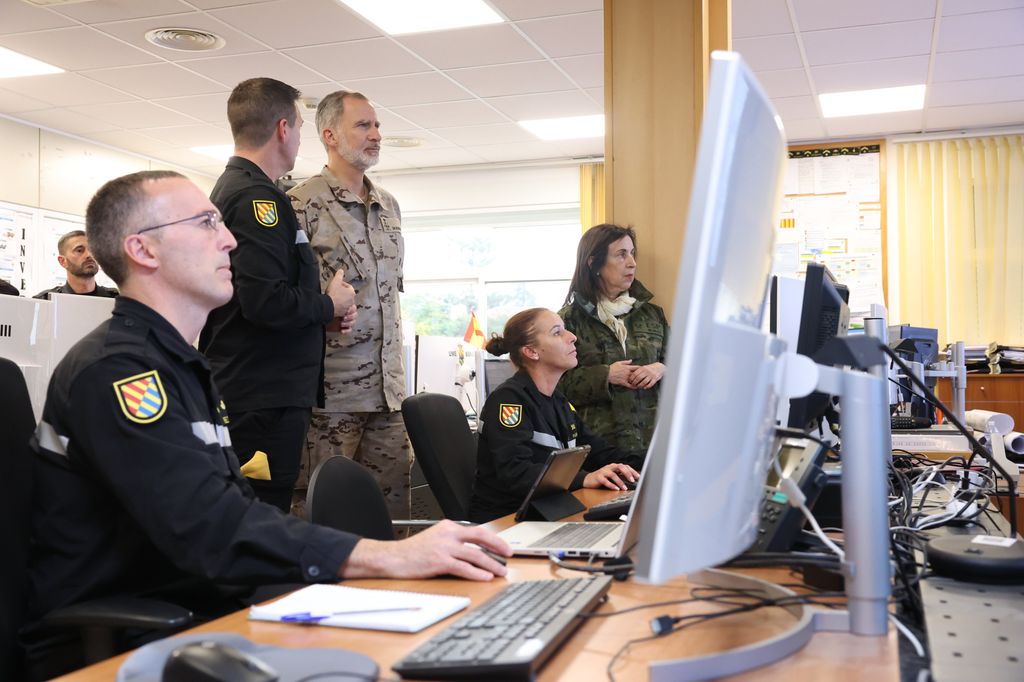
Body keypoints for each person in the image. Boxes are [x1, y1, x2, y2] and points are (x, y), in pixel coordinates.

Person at [23, 170, 510, 679]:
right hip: (126, 640)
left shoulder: (179, 364)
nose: (230, 238)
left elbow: (229, 514)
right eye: (206, 223)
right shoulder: (121, 372)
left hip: (202, 609)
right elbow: (212, 530)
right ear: (144, 250)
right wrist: (388, 557)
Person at [199, 78, 357, 513]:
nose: (300, 137)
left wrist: (318, 316)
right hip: (261, 398)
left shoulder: (239, 188)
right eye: (302, 127)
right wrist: (330, 304)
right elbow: (264, 300)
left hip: (260, 390)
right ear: (283, 129)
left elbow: (250, 296)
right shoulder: (256, 198)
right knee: (259, 514)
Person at [288, 90, 411, 520]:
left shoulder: (389, 206)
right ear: (330, 135)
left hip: (389, 394)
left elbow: (390, 296)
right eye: (363, 126)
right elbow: (290, 302)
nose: (376, 135)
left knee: (392, 519)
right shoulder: (299, 205)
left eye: (377, 125)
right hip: (331, 396)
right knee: (322, 519)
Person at [469, 307, 643, 523]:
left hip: (549, 511)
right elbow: (516, 472)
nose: (572, 337)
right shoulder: (509, 401)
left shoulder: (559, 402)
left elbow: (600, 453)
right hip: (508, 522)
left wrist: (655, 463)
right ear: (532, 351)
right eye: (557, 332)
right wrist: (586, 478)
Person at [558, 224, 668, 454]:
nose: (632, 263)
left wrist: (660, 368)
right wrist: (606, 375)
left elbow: (688, 367)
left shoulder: (653, 315)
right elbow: (556, 385)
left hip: (656, 446)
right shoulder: (567, 322)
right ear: (594, 263)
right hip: (601, 452)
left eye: (632, 253)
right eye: (621, 254)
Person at [33, 230, 118, 300]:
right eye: (79, 250)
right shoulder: (45, 301)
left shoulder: (117, 300)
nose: (89, 255)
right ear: (63, 261)